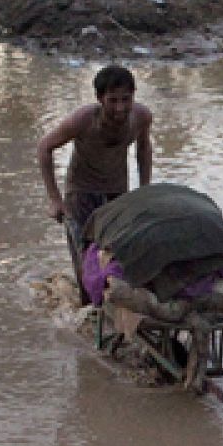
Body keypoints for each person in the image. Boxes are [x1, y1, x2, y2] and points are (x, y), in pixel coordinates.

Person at [37, 64, 154, 293]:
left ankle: (111, 312)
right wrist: (55, 200)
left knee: (118, 256)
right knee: (85, 261)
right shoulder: (82, 120)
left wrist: (145, 191)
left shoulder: (141, 117)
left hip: (117, 192)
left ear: (134, 95)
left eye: (125, 99)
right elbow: (44, 148)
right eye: (113, 100)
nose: (120, 108)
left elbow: (144, 149)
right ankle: (88, 308)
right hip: (81, 193)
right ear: (100, 99)